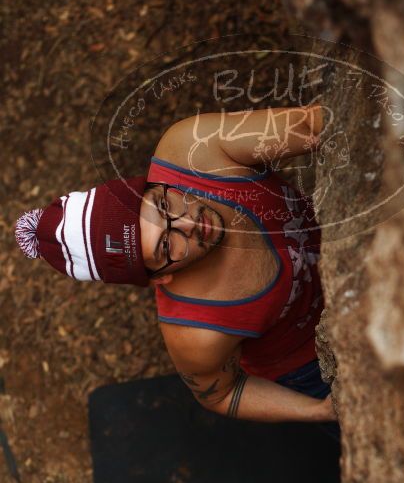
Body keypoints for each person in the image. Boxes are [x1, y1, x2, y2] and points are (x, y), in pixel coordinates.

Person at [14, 105, 340, 440]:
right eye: (167, 246)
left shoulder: (193, 151)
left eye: (165, 206)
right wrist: (319, 410)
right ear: (159, 278)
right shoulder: (195, 333)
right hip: (314, 361)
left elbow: (315, 124)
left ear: (151, 184)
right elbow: (222, 394)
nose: (191, 223)